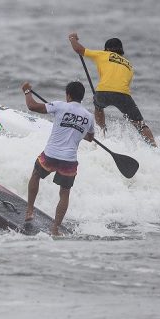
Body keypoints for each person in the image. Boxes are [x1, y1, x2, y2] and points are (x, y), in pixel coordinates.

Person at [21, 81, 94, 236]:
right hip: (69, 160)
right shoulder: (89, 117)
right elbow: (90, 137)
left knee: (36, 175)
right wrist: (77, 128)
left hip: (51, 155)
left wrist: (27, 91)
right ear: (81, 97)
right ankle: (55, 229)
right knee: (64, 193)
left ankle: (29, 211)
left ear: (68, 95)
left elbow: (32, 106)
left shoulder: (60, 106)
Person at [69, 32, 157, 147]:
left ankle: (102, 134)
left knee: (98, 107)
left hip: (102, 92)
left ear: (107, 49)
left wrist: (72, 38)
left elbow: (78, 49)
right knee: (140, 124)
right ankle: (155, 148)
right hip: (123, 95)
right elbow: (125, 84)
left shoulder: (103, 54)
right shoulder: (129, 65)